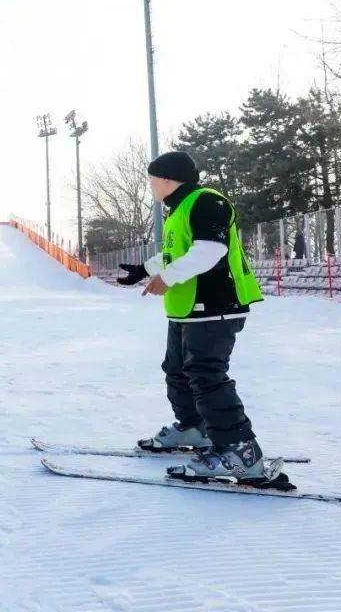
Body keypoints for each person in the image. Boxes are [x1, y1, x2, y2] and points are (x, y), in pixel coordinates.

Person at [117, 151, 267, 482]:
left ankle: (240, 452)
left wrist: (167, 278)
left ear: (168, 180)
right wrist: (145, 269)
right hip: (187, 310)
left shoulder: (206, 201)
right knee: (178, 371)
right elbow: (177, 253)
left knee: (207, 376)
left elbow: (211, 250)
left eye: (153, 179)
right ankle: (194, 429)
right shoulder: (179, 211)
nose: (151, 185)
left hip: (215, 306)